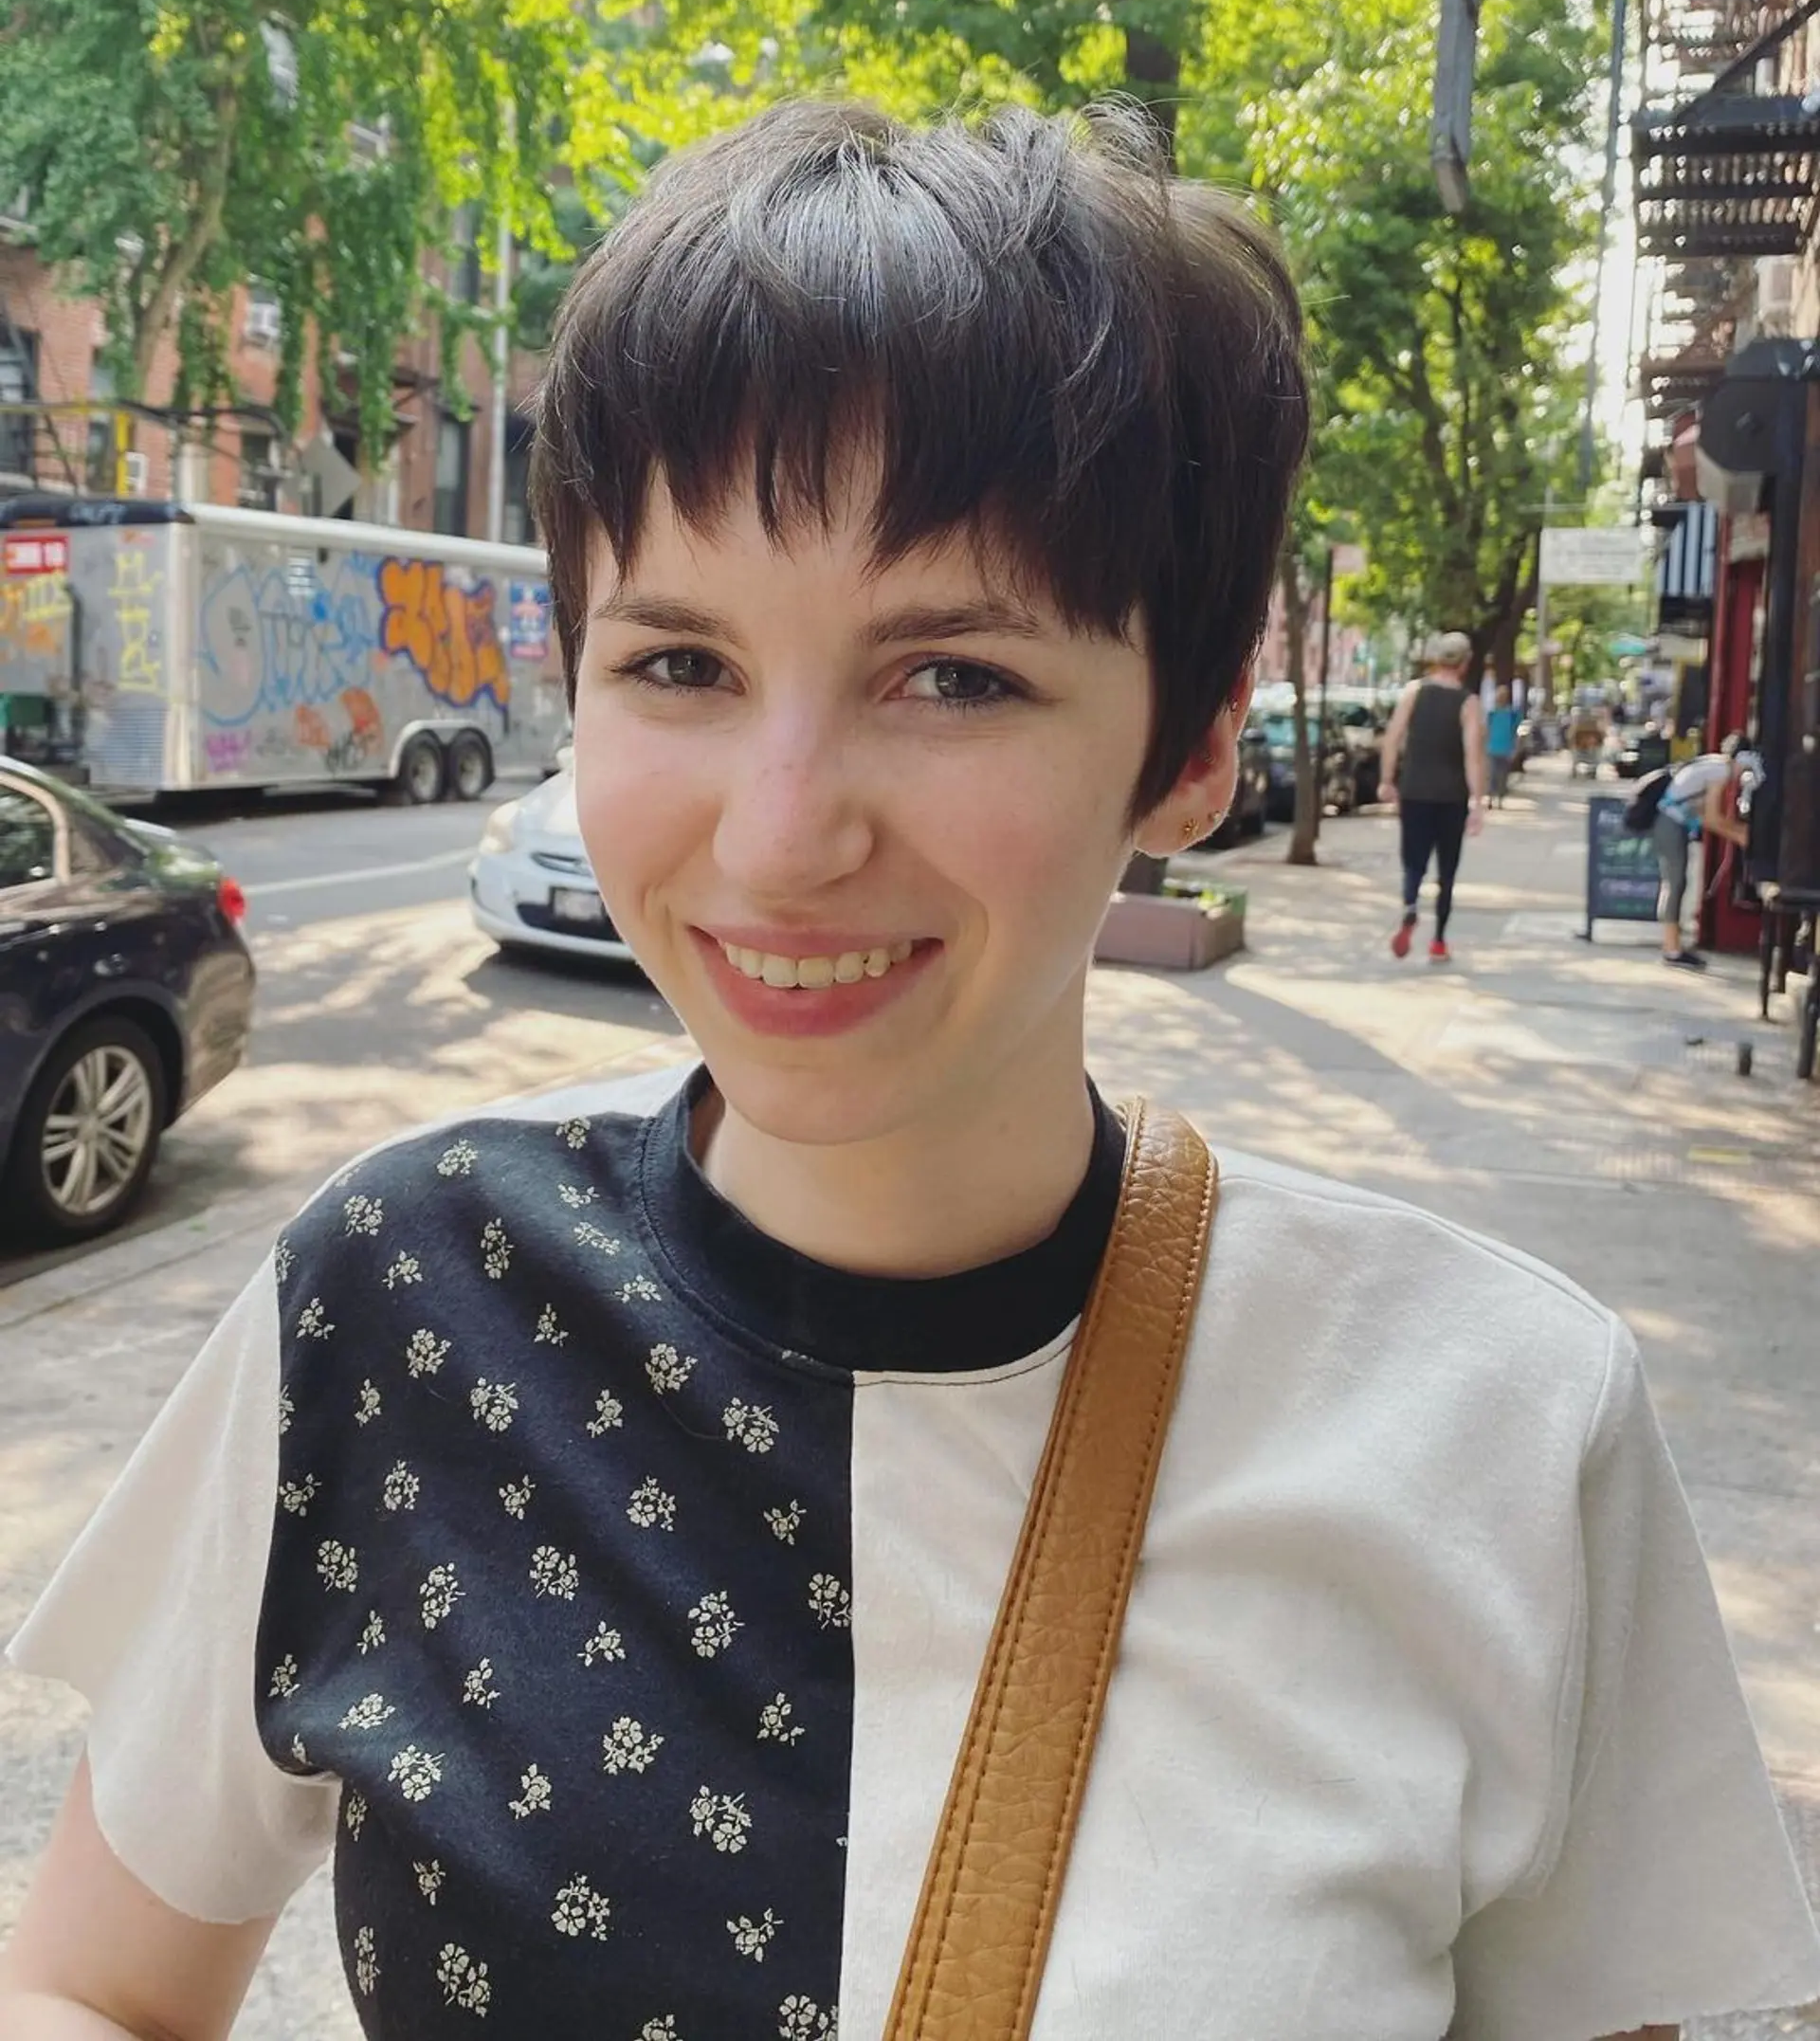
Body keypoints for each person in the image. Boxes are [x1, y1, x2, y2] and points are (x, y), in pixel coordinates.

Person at [5, 102, 1818, 2041]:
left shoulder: (1497, 1430)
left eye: (954, 676)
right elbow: (91, 1981)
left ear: (1191, 749)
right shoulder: (395, 1307)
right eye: (682, 667)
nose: (781, 840)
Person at [1378, 630, 1489, 963]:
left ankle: (1411, 903)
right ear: (1465, 663)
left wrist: (1387, 780)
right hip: (1451, 797)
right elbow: (1473, 755)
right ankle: (1439, 941)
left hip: (1414, 791)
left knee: (1413, 862)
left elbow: (1393, 738)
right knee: (1447, 871)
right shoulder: (1468, 703)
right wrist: (1478, 801)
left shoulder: (1414, 691)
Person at [1653, 731, 1752, 971]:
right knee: (1675, 884)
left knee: (1675, 883)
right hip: (1671, 824)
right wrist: (1742, 836)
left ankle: (1672, 944)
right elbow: (1713, 818)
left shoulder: (1713, 763)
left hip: (1668, 823)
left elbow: (1706, 817)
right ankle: (1671, 949)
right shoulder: (1722, 771)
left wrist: (1739, 833)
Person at [1485, 683, 1519, 807]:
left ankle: (1498, 799)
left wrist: (1514, 747)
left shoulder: (1511, 713)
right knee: (1494, 774)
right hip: (1494, 747)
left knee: (1501, 775)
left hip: (1504, 748)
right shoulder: (1492, 713)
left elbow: (1515, 731)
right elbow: (1487, 730)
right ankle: (1491, 798)